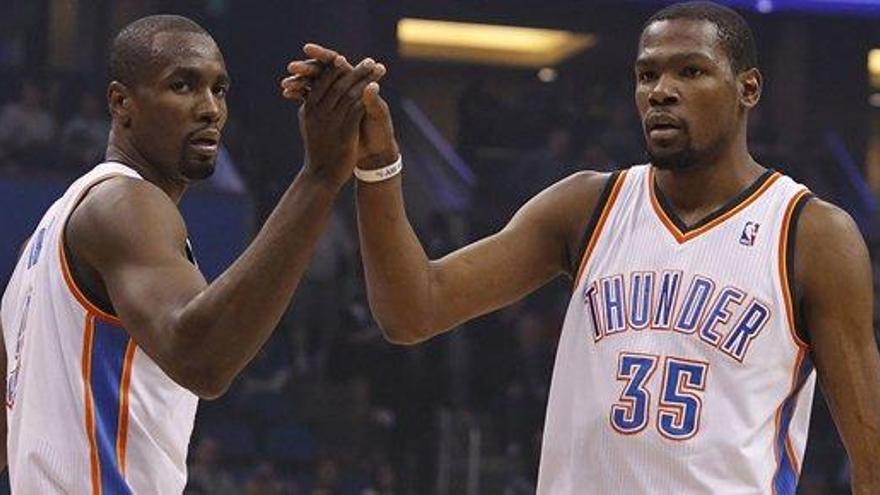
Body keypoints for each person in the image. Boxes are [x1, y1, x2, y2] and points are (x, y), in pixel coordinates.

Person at [284, 1, 880, 493]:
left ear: (747, 88)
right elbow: (412, 311)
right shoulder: (586, 206)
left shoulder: (811, 234)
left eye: (690, 72)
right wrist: (378, 167)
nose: (662, 92)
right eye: (648, 75)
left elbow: (870, 452)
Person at [0, 15, 385, 494]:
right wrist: (320, 176)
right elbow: (202, 358)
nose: (210, 109)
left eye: (219, 90)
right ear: (122, 103)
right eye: (182, 86)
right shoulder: (126, 205)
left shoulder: (37, 245)